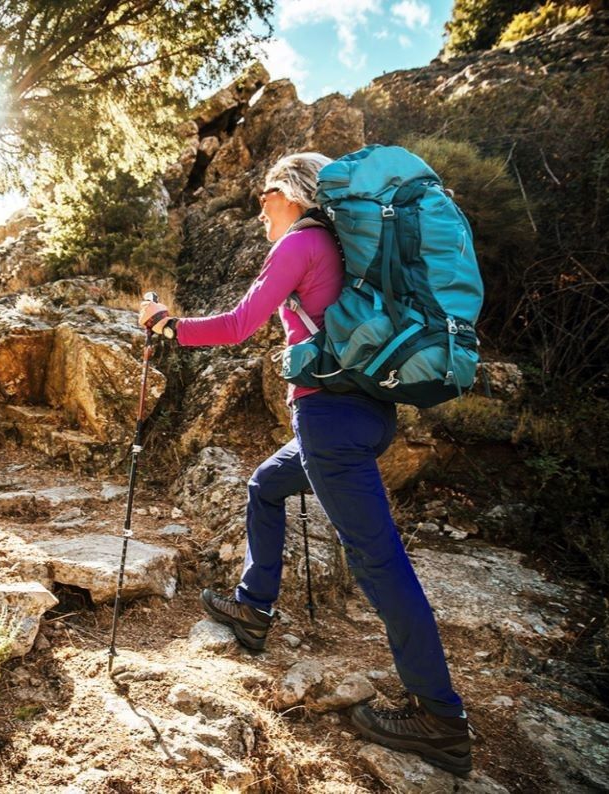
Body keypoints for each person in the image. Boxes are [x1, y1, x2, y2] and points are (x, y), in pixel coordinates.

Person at [138, 152, 472, 776]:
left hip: (329, 423)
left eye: (266, 193)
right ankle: (253, 607)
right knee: (266, 485)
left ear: (291, 193)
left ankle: (440, 718)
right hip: (367, 415)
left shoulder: (301, 242)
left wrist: (167, 326)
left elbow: (238, 325)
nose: (260, 207)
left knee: (378, 561)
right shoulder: (345, 248)